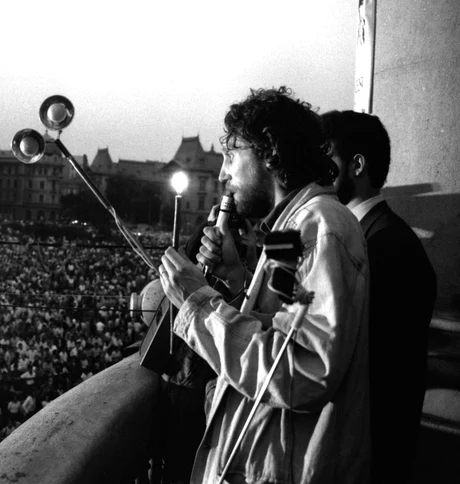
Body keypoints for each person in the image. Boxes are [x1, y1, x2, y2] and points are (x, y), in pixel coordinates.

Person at [158, 86, 371, 484]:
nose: (222, 174)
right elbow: (279, 328)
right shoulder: (290, 227)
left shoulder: (321, 227)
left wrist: (197, 302)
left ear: (269, 152)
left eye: (230, 156)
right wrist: (238, 280)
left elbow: (304, 370)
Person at [322, 110, 437, 483]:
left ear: (357, 165)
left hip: (371, 455)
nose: (318, 171)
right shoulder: (372, 235)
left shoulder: (386, 245)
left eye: (327, 158)